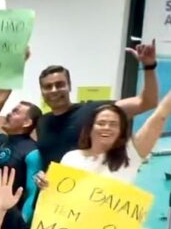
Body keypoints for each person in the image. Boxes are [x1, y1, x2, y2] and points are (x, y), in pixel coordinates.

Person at [34, 85, 171, 229]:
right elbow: (57, 198)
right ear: (90, 127)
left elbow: (160, 116)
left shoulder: (131, 156)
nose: (106, 127)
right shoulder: (71, 157)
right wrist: (44, 184)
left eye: (113, 124)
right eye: (101, 122)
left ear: (121, 130)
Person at [35, 41, 158, 173]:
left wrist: (149, 67)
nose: (54, 90)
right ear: (42, 91)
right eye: (48, 87)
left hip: (96, 190)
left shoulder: (96, 111)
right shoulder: (42, 122)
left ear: (69, 86)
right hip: (54, 191)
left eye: (59, 84)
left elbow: (147, 102)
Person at [0, 101, 42, 223]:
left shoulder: (32, 152)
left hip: (12, 219)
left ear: (27, 123)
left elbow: (32, 193)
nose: (9, 114)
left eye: (15, 112)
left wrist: (21, 223)